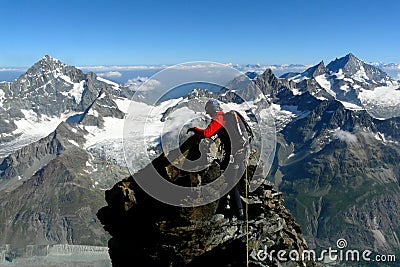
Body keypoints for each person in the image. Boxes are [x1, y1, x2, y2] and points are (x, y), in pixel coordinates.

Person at [187, 99, 246, 219]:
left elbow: (206, 134)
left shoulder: (218, 119)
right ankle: (235, 206)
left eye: (208, 111)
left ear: (212, 110)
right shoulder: (227, 116)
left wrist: (195, 129)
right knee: (236, 179)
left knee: (231, 183)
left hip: (234, 155)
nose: (208, 114)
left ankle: (239, 212)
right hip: (242, 152)